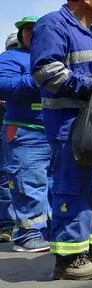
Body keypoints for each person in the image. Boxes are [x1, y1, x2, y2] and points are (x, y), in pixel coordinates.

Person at [31, 0, 92, 279]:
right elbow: (45, 71)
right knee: (75, 190)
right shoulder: (53, 24)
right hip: (70, 125)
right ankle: (69, 259)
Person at [0, 16, 52, 252]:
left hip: (55, 132)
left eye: (36, 30)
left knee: (52, 185)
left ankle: (47, 230)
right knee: (28, 183)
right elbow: (4, 86)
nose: (31, 33)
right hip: (25, 130)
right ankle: (27, 234)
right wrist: (38, 77)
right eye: (27, 30)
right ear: (21, 36)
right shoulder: (11, 57)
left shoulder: (55, 57)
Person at [0, 33, 22, 243]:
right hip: (7, 130)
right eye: (12, 47)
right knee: (5, 180)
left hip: (19, 130)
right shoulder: (3, 70)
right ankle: (6, 225)